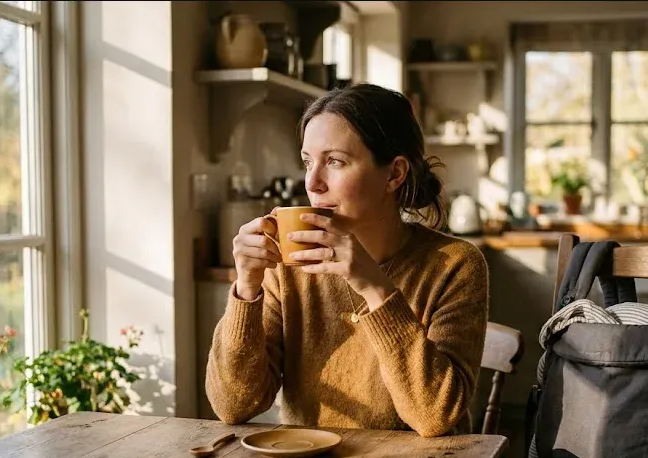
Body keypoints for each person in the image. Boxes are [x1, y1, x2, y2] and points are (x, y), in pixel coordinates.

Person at [205, 83, 489, 437]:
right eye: (308, 162)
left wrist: (375, 288)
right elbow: (233, 406)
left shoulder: (455, 265)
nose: (313, 182)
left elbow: (435, 416)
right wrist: (246, 289)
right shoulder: (288, 266)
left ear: (394, 174)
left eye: (335, 162)